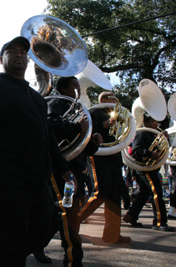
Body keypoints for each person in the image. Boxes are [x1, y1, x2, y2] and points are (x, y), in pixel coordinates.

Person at [0, 36, 74, 267]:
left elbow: (47, 139)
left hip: (36, 183)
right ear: (1, 59)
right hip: (5, 184)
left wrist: (62, 168)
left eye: (23, 52)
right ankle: (1, 257)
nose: (19, 55)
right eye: (12, 51)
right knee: (11, 246)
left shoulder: (36, 97)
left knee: (42, 230)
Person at [37, 76, 102, 266]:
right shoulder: (57, 102)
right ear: (64, 88)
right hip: (62, 169)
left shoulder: (76, 109)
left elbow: (82, 146)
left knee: (61, 214)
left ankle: (35, 245)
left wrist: (93, 142)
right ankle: (73, 259)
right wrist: (76, 127)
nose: (79, 89)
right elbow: (49, 128)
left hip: (75, 168)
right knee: (69, 214)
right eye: (75, 85)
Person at [78, 92, 131, 243]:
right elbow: (85, 129)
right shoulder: (94, 112)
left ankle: (112, 234)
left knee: (114, 197)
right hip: (100, 157)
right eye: (112, 99)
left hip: (114, 158)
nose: (115, 101)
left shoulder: (115, 114)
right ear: (103, 100)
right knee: (101, 193)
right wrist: (103, 125)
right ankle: (73, 222)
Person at [122, 115, 174, 231]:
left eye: (156, 122)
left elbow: (163, 150)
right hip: (144, 168)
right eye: (153, 122)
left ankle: (131, 216)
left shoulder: (155, 134)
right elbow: (136, 151)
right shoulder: (142, 134)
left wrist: (166, 139)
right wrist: (150, 154)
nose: (156, 124)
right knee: (157, 193)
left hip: (152, 168)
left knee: (144, 193)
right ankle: (159, 222)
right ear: (146, 123)